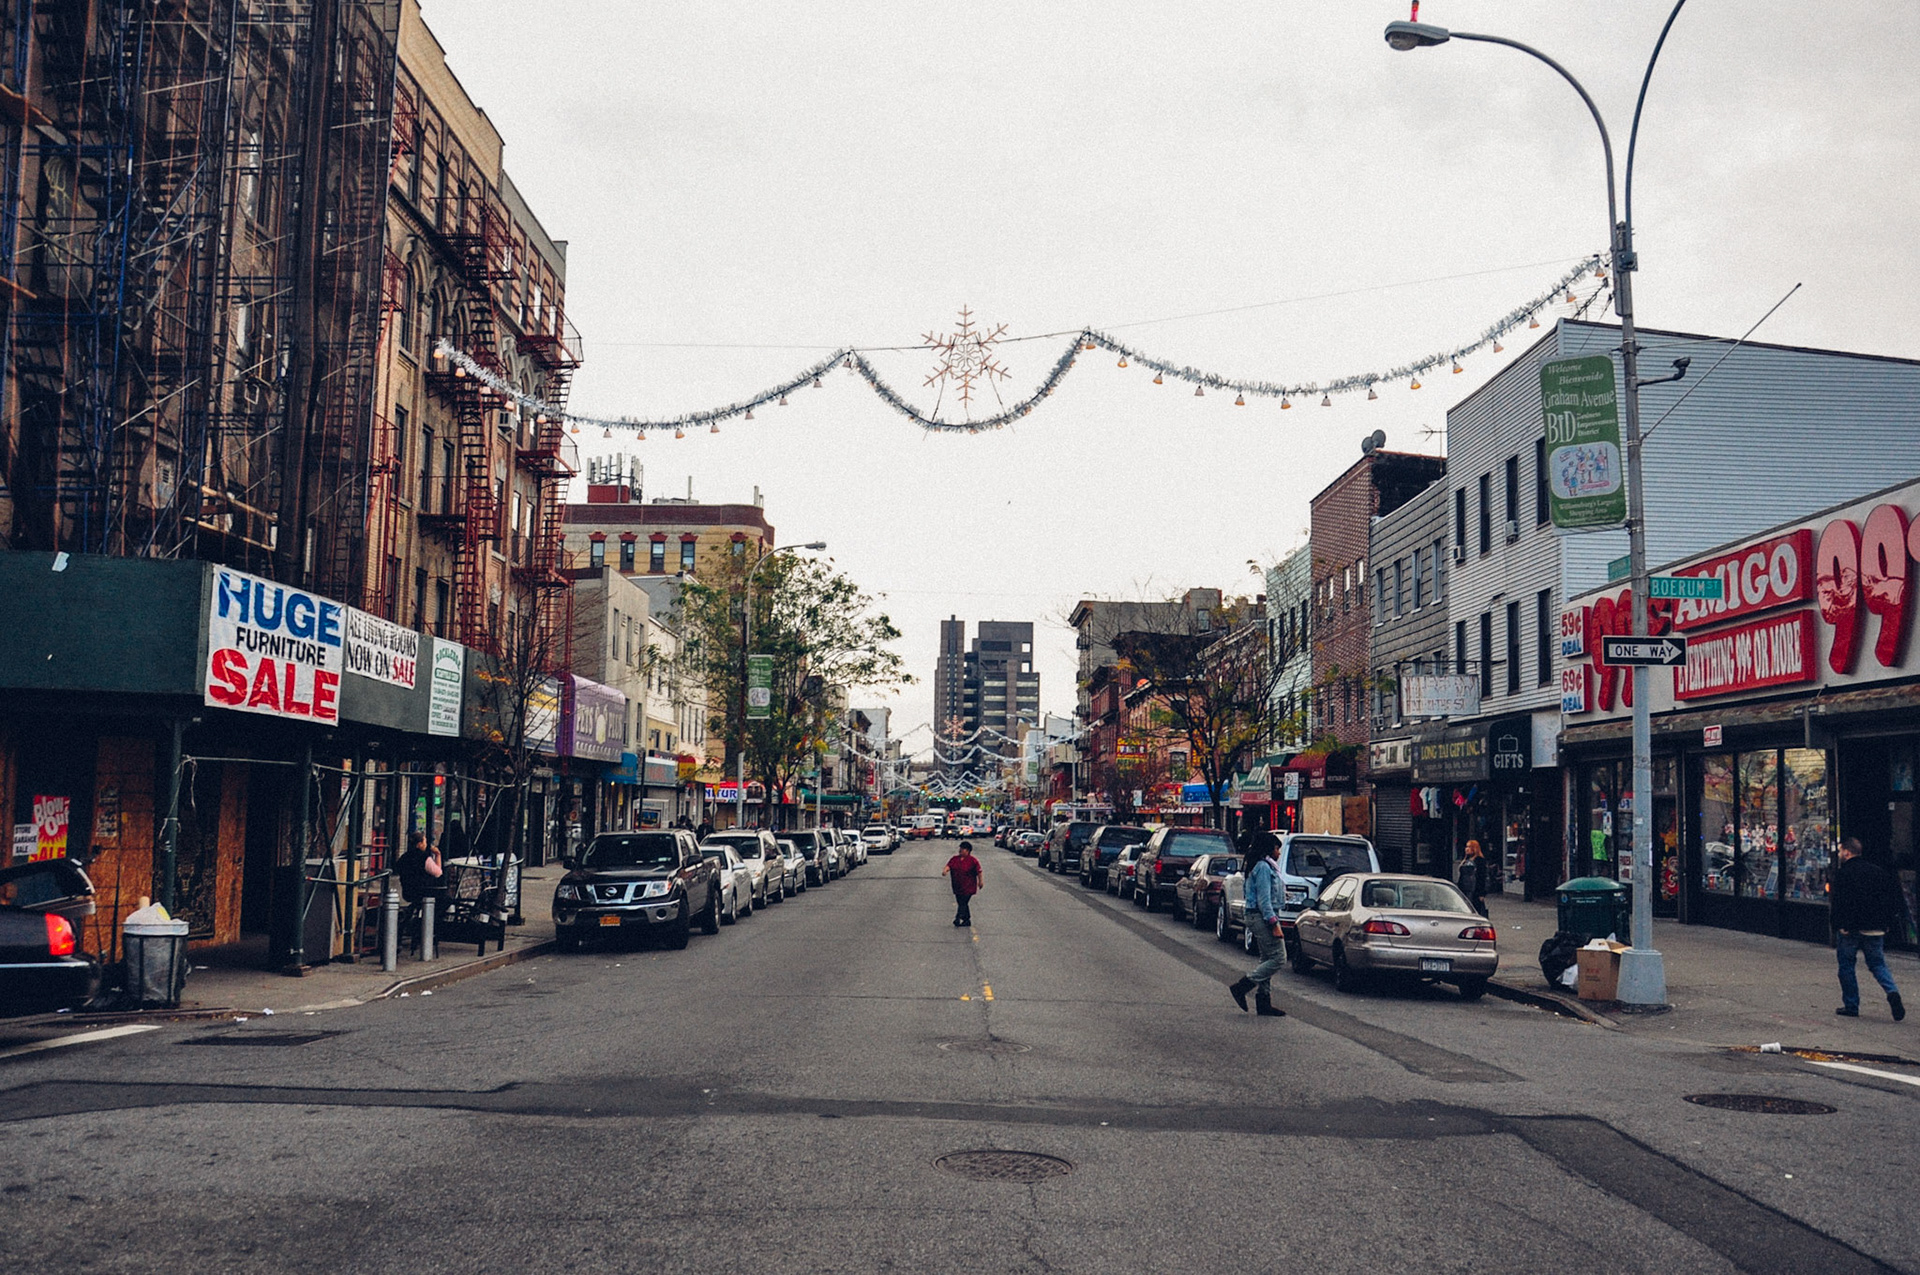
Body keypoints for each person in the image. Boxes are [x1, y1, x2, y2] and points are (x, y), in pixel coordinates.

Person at [1830, 837, 1907, 1021]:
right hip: (1875, 927)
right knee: (1878, 964)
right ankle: (1892, 991)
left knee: (1847, 966)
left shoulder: (1844, 873)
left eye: (1840, 851)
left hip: (1851, 928)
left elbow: (1840, 902)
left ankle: (1851, 1005)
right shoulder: (1877, 872)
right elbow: (1889, 900)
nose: (1839, 854)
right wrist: (1886, 923)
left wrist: (1839, 924)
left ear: (1847, 852)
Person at [1227, 831, 1287, 1018]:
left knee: (1267, 957)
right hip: (1261, 916)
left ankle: (1263, 1002)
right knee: (1279, 958)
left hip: (1259, 915)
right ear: (1269, 849)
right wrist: (1274, 924)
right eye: (1277, 848)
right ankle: (1242, 986)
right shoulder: (1262, 867)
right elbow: (1263, 901)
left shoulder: (1263, 866)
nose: (1279, 852)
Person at [394, 831, 443, 905]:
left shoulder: (404, 857)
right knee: (446, 900)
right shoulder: (424, 857)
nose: (426, 845)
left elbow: (398, 868)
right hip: (424, 890)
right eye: (425, 842)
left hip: (407, 891)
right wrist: (438, 854)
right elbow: (438, 873)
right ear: (419, 844)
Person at [943, 840, 984, 928]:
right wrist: (945, 870)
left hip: (968, 886)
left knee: (963, 902)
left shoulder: (973, 861)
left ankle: (957, 918)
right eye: (960, 848)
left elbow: (979, 872)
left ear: (968, 851)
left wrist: (980, 881)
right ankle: (966, 920)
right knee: (961, 903)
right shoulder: (955, 859)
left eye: (963, 849)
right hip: (957, 886)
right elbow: (949, 866)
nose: (960, 850)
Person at [1457, 840, 1489, 917]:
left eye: (1469, 847)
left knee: (1475, 909)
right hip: (1464, 888)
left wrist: (1481, 893)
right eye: (1466, 847)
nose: (1466, 849)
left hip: (1474, 890)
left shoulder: (1479, 860)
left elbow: (1482, 877)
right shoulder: (1466, 860)